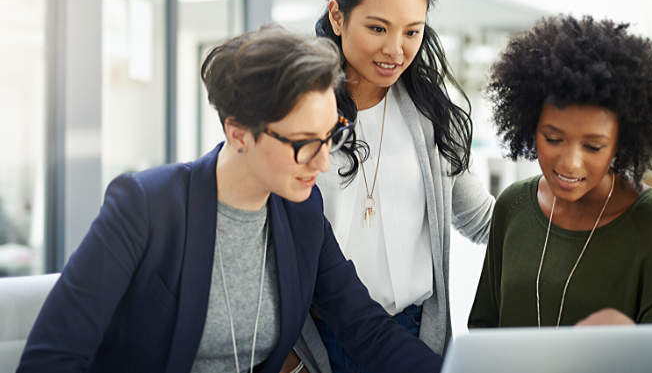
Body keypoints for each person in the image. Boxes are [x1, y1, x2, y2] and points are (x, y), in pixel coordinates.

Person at [17, 25, 442, 373]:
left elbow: (363, 325)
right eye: (304, 143)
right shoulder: (146, 207)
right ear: (238, 132)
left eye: (332, 136)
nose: (323, 163)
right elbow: (52, 358)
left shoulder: (301, 212)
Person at [294, 0, 495, 372]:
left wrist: (566, 209)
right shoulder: (297, 113)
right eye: (377, 28)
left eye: (412, 32)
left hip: (415, 336)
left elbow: (481, 220)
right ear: (337, 15)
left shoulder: (433, 114)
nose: (395, 49)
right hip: (321, 344)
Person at [468, 14, 652, 329]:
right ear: (531, 126)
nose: (569, 163)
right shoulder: (513, 206)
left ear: (621, 143)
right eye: (553, 139)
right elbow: (483, 330)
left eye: (593, 146)